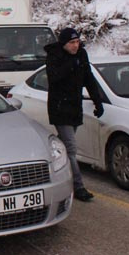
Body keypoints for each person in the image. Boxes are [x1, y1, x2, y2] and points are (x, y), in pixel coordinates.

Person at [45, 27, 104, 202]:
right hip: (60, 107)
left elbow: (89, 79)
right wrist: (71, 64)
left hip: (75, 107)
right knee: (71, 147)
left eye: (77, 42)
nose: (75, 46)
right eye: (71, 43)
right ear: (63, 44)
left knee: (63, 145)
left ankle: (47, 163)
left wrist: (97, 101)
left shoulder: (81, 55)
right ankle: (78, 186)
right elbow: (54, 77)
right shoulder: (54, 56)